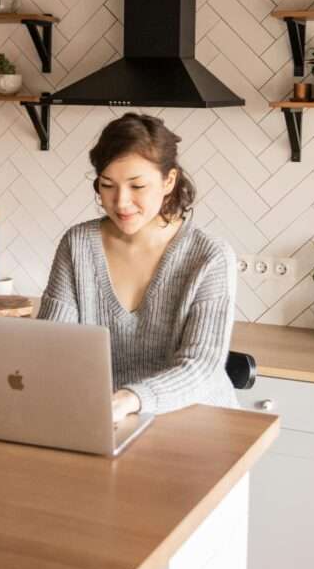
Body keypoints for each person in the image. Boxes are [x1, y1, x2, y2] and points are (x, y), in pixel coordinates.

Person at [38, 112, 238, 421]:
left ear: (168, 180)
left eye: (137, 186)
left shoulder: (209, 255)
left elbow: (200, 367)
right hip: (104, 417)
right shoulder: (78, 244)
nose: (120, 202)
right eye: (107, 185)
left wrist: (130, 398)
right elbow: (53, 345)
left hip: (195, 423)